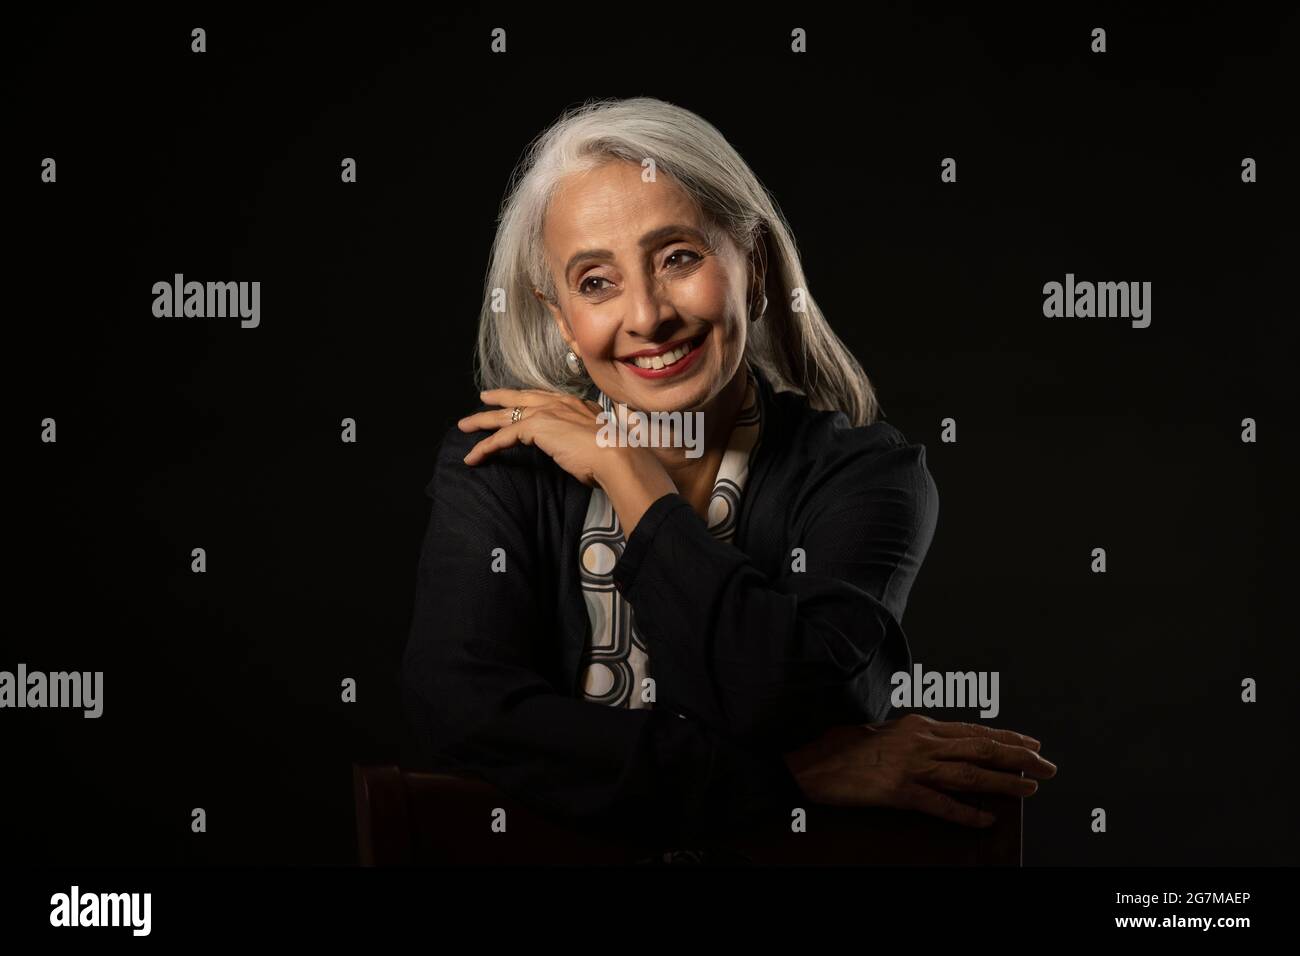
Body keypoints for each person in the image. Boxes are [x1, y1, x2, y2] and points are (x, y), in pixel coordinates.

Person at [400, 97, 1055, 852]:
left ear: (755, 266)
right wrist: (793, 780)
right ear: (558, 318)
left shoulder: (867, 478)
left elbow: (779, 697)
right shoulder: (499, 462)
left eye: (679, 257)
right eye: (596, 282)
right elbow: (462, 711)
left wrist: (629, 474)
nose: (646, 316)